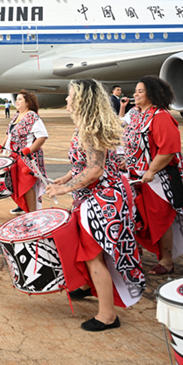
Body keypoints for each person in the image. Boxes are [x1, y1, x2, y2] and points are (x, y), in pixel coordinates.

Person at [46, 79, 145, 331]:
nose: (66, 99)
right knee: (90, 253)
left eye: (70, 95)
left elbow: (95, 170)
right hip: (96, 198)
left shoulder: (90, 130)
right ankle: (87, 287)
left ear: (81, 100)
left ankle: (107, 315)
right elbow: (85, 164)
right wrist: (67, 177)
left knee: (92, 256)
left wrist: (64, 188)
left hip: (102, 200)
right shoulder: (87, 126)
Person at [123, 75, 183, 275]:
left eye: (140, 91)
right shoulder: (136, 114)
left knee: (160, 219)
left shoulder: (160, 116)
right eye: (136, 91)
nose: (135, 94)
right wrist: (128, 161)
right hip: (137, 176)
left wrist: (151, 170)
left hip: (158, 179)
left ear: (152, 94)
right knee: (140, 217)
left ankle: (166, 260)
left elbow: (168, 150)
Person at [1, 90, 49, 214]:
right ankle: (24, 208)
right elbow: (9, 133)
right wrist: (2, 145)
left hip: (27, 158)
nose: (16, 101)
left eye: (20, 99)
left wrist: (28, 150)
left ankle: (32, 213)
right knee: (17, 184)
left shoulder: (31, 116)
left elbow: (42, 136)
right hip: (15, 156)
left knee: (27, 185)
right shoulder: (17, 115)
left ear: (28, 102)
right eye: (16, 99)